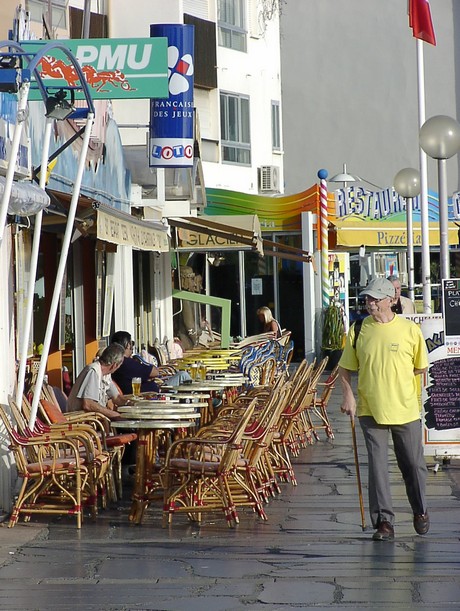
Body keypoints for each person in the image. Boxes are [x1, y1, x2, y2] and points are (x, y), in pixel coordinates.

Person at [338, 277, 429, 541]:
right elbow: (345, 368)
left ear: (391, 300)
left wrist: (397, 379)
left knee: (412, 464)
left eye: (375, 299)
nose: (370, 303)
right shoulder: (358, 329)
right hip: (370, 408)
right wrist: (348, 396)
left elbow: (420, 366)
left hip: (405, 409)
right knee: (377, 467)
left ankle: (420, 509)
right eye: (367, 298)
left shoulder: (409, 330)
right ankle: (384, 522)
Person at [110, 331, 191, 395]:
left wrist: (147, 377)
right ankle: (194, 409)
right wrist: (149, 376)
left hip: (150, 394)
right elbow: (155, 372)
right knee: (183, 375)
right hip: (154, 397)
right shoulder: (127, 363)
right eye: (132, 343)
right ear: (128, 345)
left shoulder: (115, 363)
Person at [67, 343, 128, 423]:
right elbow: (88, 404)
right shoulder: (93, 371)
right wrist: (115, 415)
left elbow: (117, 398)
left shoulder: (106, 374)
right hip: (81, 423)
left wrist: (132, 404)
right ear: (114, 365)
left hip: (93, 421)